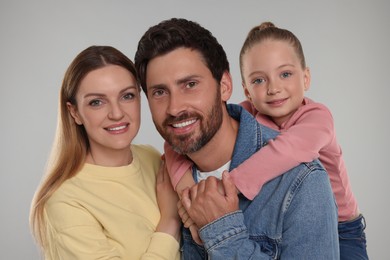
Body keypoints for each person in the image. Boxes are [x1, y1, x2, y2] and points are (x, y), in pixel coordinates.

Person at [135, 18, 339, 259]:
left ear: (225, 85)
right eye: (159, 92)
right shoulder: (158, 177)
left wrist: (223, 229)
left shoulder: (300, 180)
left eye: (190, 84)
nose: (175, 108)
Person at [29, 46, 181, 259]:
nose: (117, 113)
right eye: (97, 102)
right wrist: (170, 222)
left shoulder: (152, 158)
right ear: (75, 112)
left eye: (127, 96)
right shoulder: (65, 201)